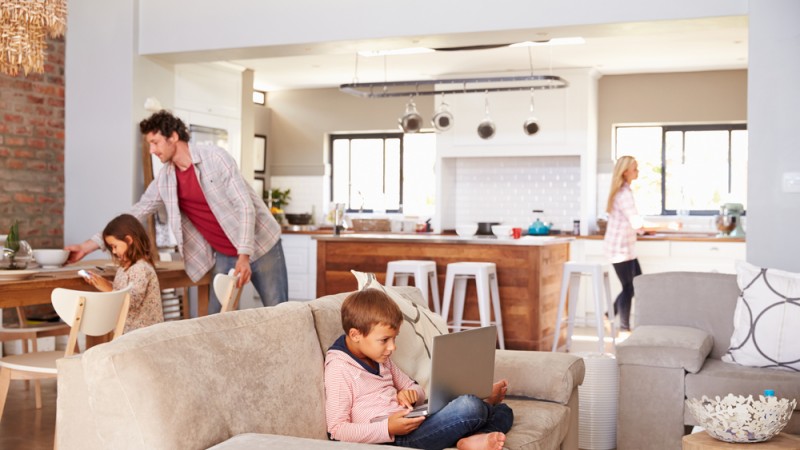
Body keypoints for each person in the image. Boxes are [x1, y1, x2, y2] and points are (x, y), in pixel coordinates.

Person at [66, 110, 288, 313]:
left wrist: (244, 255)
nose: (152, 150)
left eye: (155, 142)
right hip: (224, 252)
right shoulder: (166, 178)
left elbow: (245, 207)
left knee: (280, 313)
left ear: (173, 136)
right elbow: (137, 213)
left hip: (261, 245)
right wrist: (87, 247)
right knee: (216, 320)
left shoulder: (215, 158)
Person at [324, 288, 513, 450]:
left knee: (505, 411)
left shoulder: (380, 358)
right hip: (394, 438)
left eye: (394, 339)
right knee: (469, 405)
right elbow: (337, 430)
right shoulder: (339, 369)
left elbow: (416, 389)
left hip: (411, 421)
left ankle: (471, 439)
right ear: (355, 335)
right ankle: (481, 412)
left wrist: (410, 394)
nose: (392, 347)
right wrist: (388, 428)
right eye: (385, 340)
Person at [80, 214, 164, 333]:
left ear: (129, 240)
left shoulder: (141, 268)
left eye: (115, 246)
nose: (113, 251)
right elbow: (123, 288)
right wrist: (101, 283)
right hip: (128, 334)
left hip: (142, 336)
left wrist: (108, 289)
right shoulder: (125, 267)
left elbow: (131, 301)